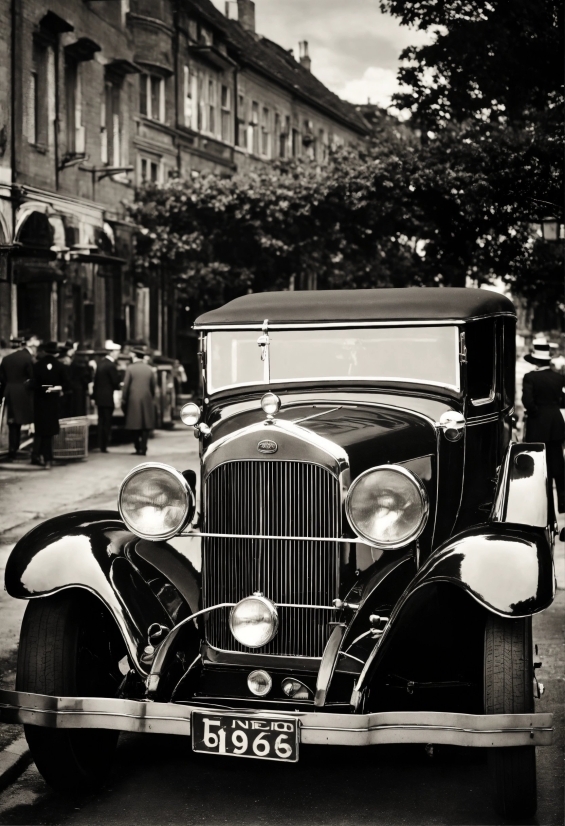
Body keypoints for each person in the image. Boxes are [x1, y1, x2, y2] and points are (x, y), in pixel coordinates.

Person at [522, 338, 565, 514]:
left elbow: (527, 402)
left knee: (540, 468)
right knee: (558, 465)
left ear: (535, 361)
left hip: (538, 425)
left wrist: (535, 414)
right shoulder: (559, 377)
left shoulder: (530, 377)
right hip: (556, 423)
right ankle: (563, 503)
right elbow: (562, 399)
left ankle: (544, 508)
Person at [0, 332, 39, 461]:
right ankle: (35, 451)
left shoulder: (6, 359)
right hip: (25, 393)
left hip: (10, 392)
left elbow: (2, 379)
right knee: (33, 420)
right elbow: (33, 378)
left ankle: (13, 450)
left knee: (13, 423)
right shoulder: (28, 359)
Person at [31, 341, 70, 469]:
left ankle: (40, 455)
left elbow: (33, 384)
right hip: (53, 402)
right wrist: (55, 389)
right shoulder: (60, 366)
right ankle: (48, 458)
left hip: (39, 401)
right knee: (49, 431)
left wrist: (42, 389)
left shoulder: (37, 366)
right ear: (56, 353)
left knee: (41, 430)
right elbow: (66, 384)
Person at [122, 349, 156, 456]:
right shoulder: (149, 369)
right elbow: (153, 386)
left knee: (134, 425)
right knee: (145, 425)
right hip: (146, 398)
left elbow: (126, 385)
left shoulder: (130, 368)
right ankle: (143, 447)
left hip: (133, 399)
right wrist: (151, 396)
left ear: (135, 356)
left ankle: (137, 447)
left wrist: (124, 398)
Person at [92, 345, 121, 452]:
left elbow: (96, 382)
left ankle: (100, 444)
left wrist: (94, 396)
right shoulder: (111, 365)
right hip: (108, 397)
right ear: (112, 352)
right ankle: (104, 445)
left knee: (101, 421)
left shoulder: (100, 364)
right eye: (117, 352)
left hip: (100, 398)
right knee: (107, 421)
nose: (118, 354)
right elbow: (115, 382)